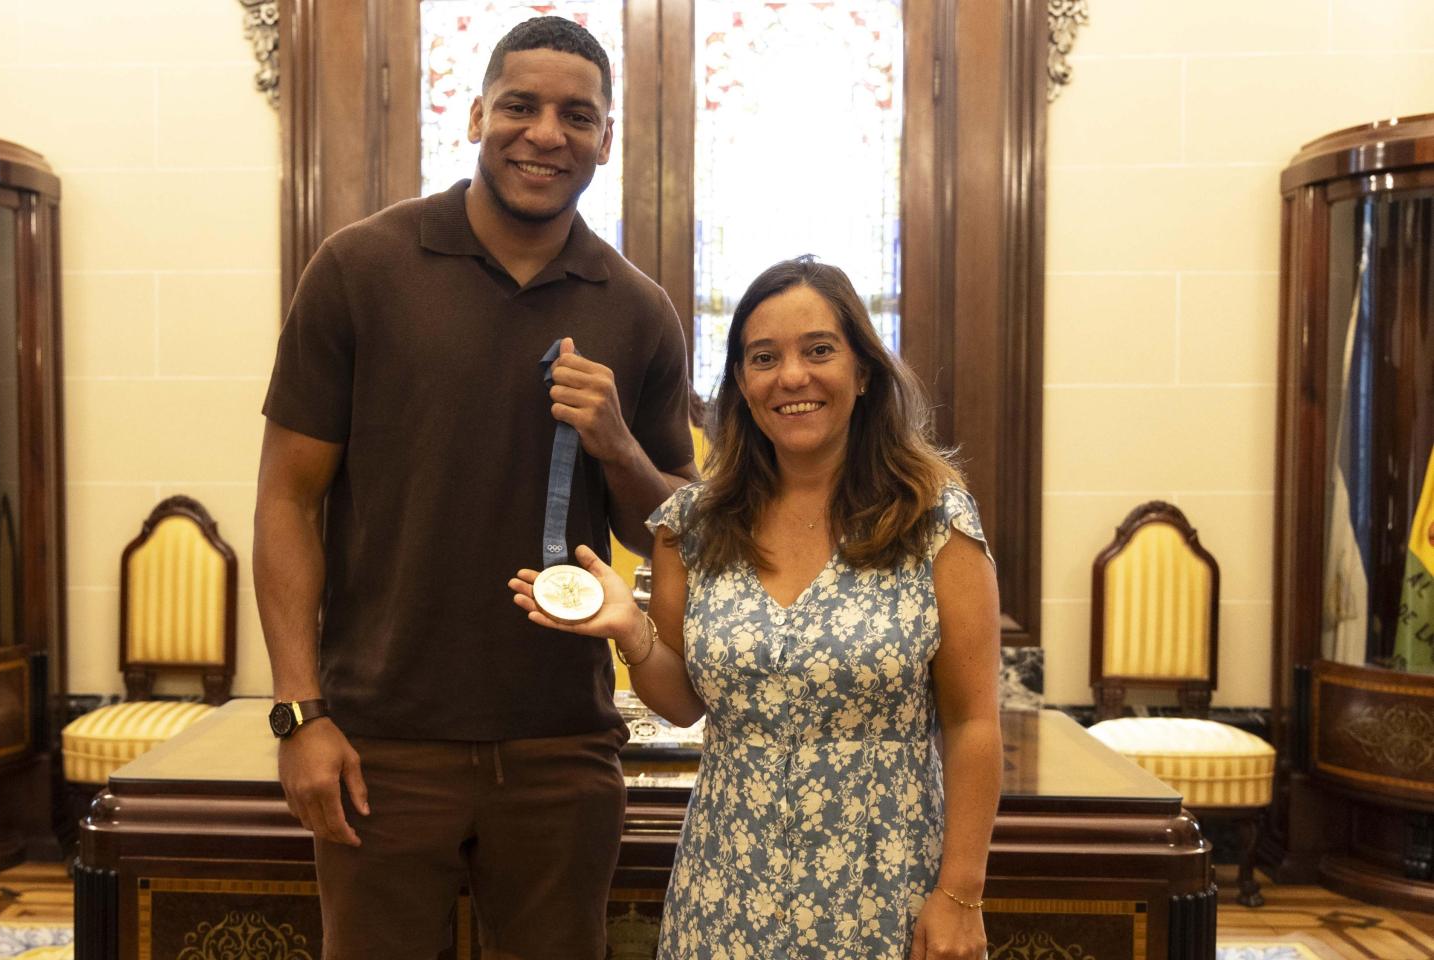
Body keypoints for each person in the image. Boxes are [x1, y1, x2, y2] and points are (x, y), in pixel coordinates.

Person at [254, 15, 697, 960]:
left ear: (606, 139)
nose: (546, 133)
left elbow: (674, 529)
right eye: (521, 106)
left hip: (562, 751)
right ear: (474, 116)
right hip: (381, 742)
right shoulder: (359, 269)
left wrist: (617, 441)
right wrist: (300, 712)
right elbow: (287, 501)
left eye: (577, 115)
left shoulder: (639, 310)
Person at [511, 256, 1003, 959]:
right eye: (764, 357)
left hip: (884, 883)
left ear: (863, 372)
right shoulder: (694, 525)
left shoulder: (934, 521)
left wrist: (960, 894)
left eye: (819, 350)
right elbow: (682, 703)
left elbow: (973, 723)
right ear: (742, 384)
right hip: (726, 886)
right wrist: (632, 632)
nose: (792, 376)